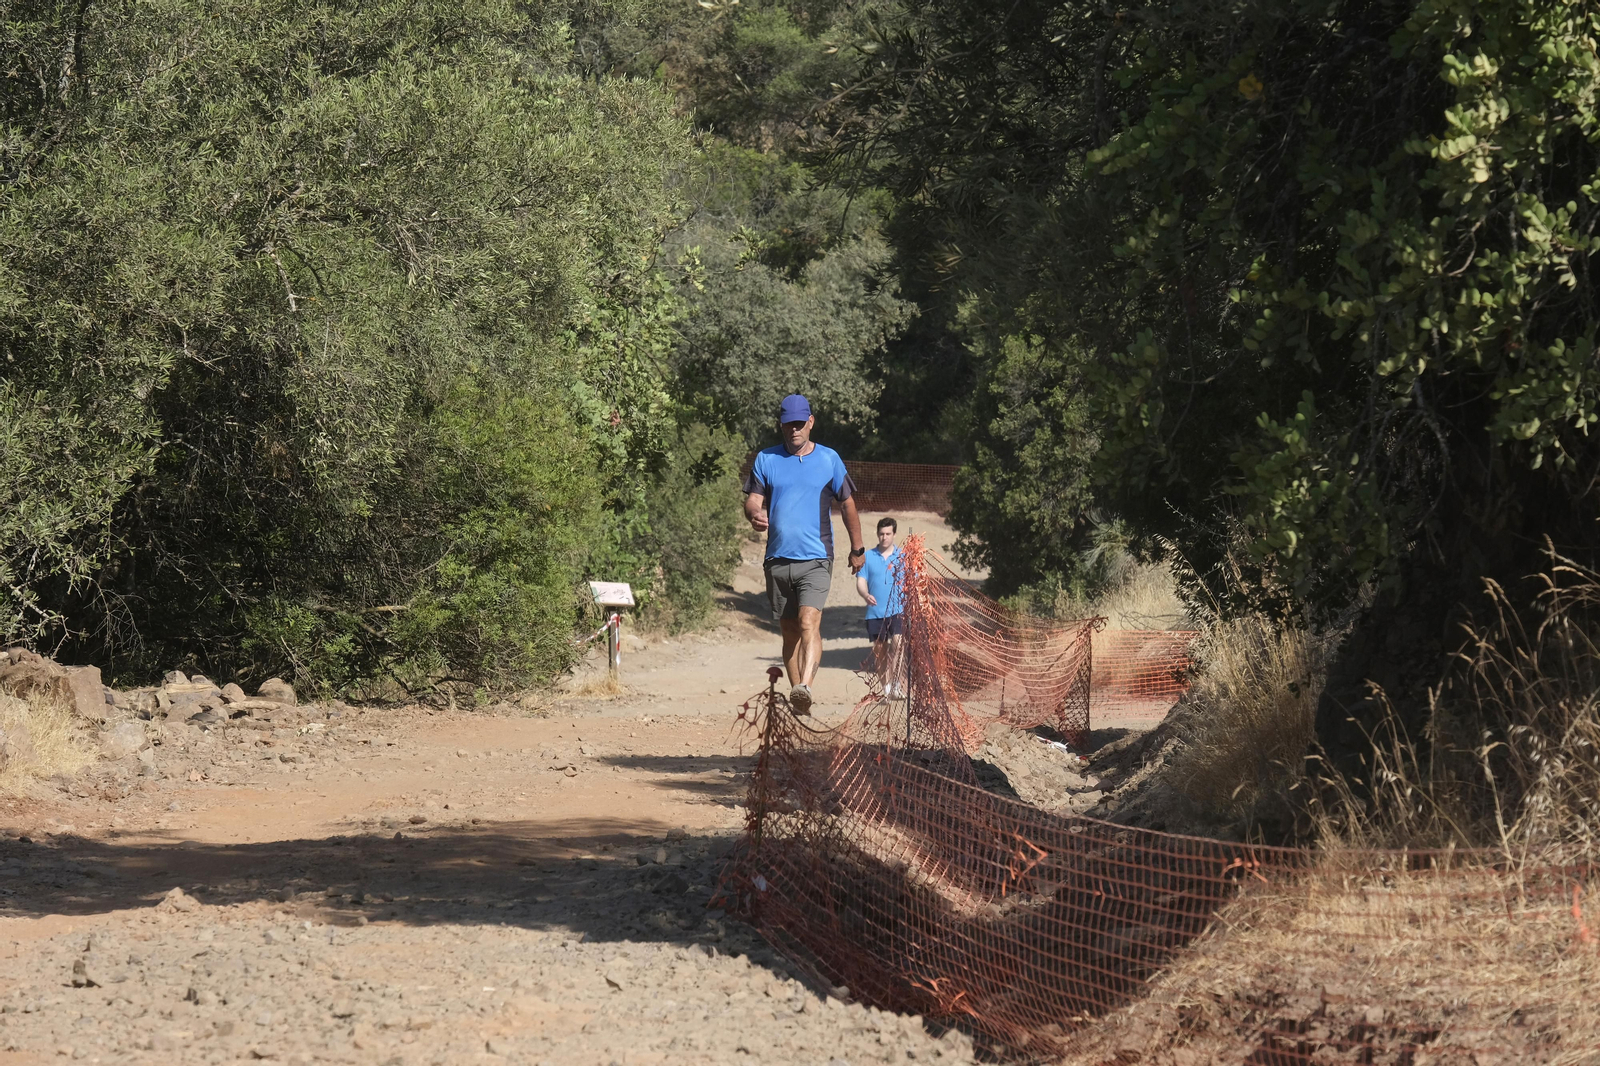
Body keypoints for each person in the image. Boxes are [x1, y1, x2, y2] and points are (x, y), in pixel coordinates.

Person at [742, 394, 866, 715]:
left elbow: (848, 504)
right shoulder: (766, 460)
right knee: (789, 632)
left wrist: (858, 549)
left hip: (816, 558)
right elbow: (753, 500)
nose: (794, 430)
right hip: (777, 560)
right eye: (788, 425)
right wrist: (754, 514)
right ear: (781, 426)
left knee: (808, 622)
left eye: (800, 423)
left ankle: (805, 686)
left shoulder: (829, 460)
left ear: (810, 422)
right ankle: (800, 698)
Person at [856, 516, 906, 698]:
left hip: (898, 610)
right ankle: (886, 687)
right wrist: (865, 594)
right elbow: (861, 581)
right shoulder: (868, 557)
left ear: (894, 534)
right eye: (881, 534)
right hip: (875, 612)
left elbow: (913, 580)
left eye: (888, 534)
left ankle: (897, 685)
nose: (884, 537)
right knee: (880, 651)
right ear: (877, 534)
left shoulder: (903, 557)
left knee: (898, 645)